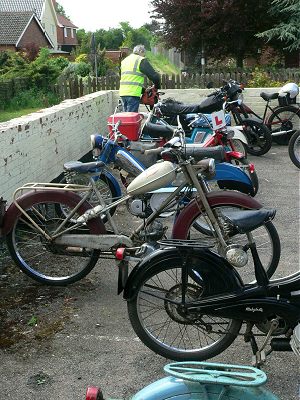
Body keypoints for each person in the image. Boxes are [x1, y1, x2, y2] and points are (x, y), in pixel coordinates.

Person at [119, 44, 161, 112]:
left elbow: (129, 79)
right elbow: (155, 77)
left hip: (123, 93)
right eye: (144, 54)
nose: (144, 56)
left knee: (126, 117)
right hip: (133, 94)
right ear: (141, 51)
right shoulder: (140, 60)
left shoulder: (125, 61)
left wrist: (144, 90)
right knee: (131, 119)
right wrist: (156, 86)